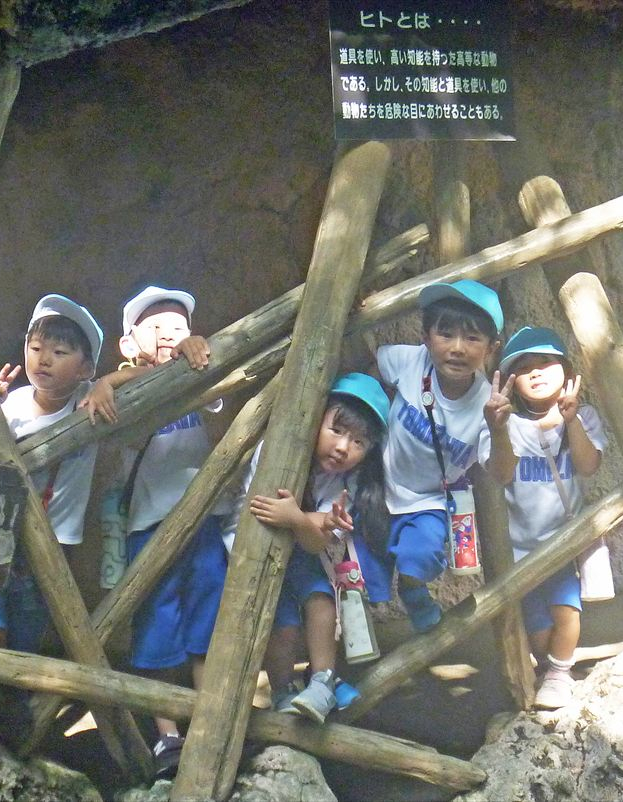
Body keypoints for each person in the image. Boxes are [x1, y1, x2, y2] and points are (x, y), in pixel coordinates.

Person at [81, 284, 225, 778]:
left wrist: (194, 359)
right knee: (157, 627)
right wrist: (107, 382)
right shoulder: (121, 389)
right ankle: (168, 737)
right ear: (128, 344)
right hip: (147, 524)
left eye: (180, 328)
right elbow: (118, 421)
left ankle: (210, 722)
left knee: (209, 622)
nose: (170, 334)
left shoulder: (198, 381)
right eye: (156, 327)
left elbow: (215, 415)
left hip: (203, 518)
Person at [0, 294, 104, 654]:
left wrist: (108, 384)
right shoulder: (12, 405)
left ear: (86, 368)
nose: (44, 359)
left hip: (55, 538)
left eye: (60, 353)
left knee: (30, 620)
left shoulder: (89, 398)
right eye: (37, 347)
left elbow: (135, 380)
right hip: (0, 531)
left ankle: (11, 692)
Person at [243, 373, 393, 724]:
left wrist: (300, 519)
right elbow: (261, 509)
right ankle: (282, 691)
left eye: (358, 442)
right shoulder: (276, 448)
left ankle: (323, 682)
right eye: (337, 431)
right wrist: (306, 520)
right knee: (282, 626)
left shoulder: (346, 483)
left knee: (320, 598)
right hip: (252, 548)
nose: (343, 447)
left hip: (303, 550)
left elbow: (314, 540)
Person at [479, 326, 606, 710]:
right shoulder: (506, 424)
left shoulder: (584, 416)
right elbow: (500, 474)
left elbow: (588, 466)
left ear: (567, 371)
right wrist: (497, 429)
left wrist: (571, 422)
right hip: (520, 548)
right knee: (538, 627)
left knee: (567, 611)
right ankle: (550, 668)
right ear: (513, 382)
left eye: (546, 362)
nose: (536, 371)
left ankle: (560, 673)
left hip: (564, 542)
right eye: (525, 366)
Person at [374, 279, 504, 633]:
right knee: (366, 579)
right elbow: (369, 367)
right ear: (426, 337)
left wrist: (499, 428)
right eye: (445, 334)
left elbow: (503, 472)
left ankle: (414, 591)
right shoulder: (410, 361)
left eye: (473, 338)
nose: (458, 348)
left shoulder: (487, 406)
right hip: (376, 483)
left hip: (428, 500)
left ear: (492, 347)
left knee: (424, 555)